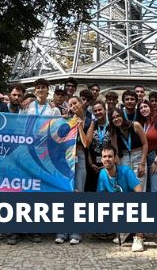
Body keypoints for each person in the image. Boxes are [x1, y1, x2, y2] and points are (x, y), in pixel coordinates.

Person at [56, 96, 93, 245]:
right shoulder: (65, 120)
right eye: (70, 104)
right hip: (65, 159)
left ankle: (76, 232)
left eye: (75, 103)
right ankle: (62, 231)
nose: (73, 106)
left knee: (78, 193)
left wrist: (78, 126)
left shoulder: (90, 122)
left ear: (81, 103)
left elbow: (86, 143)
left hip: (80, 158)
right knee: (64, 194)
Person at [96, 145, 145, 252]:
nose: (107, 159)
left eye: (110, 156)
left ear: (115, 158)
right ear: (101, 159)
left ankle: (139, 237)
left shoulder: (125, 170)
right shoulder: (102, 174)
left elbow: (139, 190)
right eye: (104, 157)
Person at [110, 106, 147, 188]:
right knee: (126, 187)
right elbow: (115, 151)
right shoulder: (113, 132)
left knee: (140, 187)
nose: (116, 119)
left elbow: (145, 144)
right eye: (113, 118)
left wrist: (142, 164)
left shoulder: (135, 125)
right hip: (124, 159)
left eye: (118, 116)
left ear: (122, 115)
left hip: (139, 157)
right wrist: (119, 168)